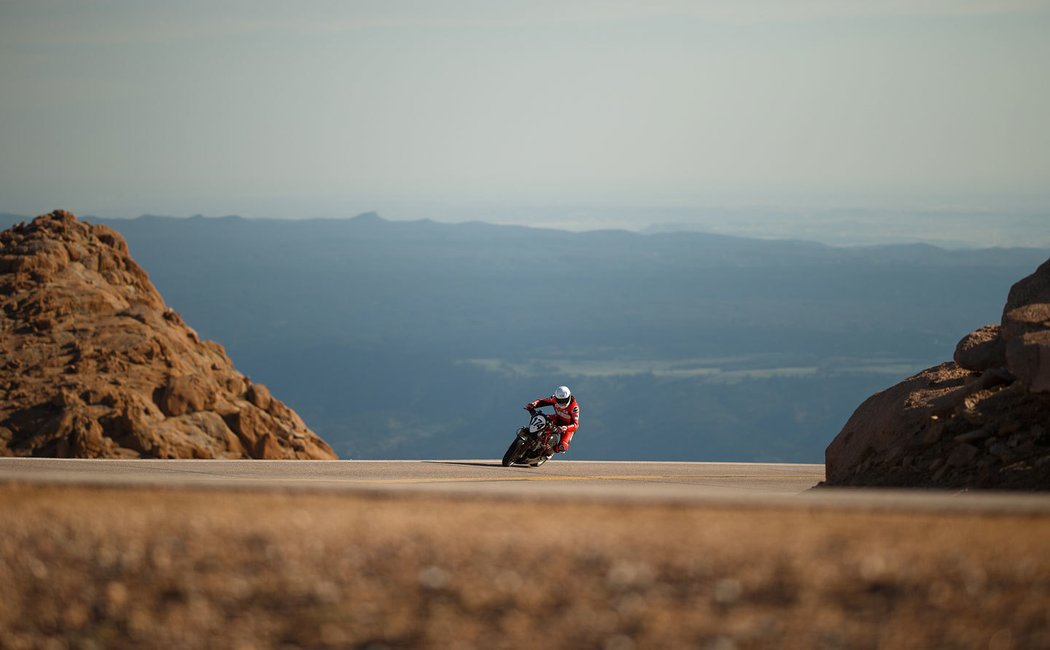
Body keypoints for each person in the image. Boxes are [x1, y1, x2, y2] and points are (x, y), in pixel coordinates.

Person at [524, 385, 580, 455]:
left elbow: (576, 425)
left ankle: (550, 451)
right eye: (560, 400)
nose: (562, 402)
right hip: (557, 418)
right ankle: (530, 434)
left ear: (569, 397)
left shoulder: (574, 407)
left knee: (562, 446)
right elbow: (542, 401)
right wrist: (533, 404)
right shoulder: (553, 398)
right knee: (541, 418)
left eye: (564, 400)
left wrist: (565, 428)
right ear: (556, 397)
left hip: (567, 426)